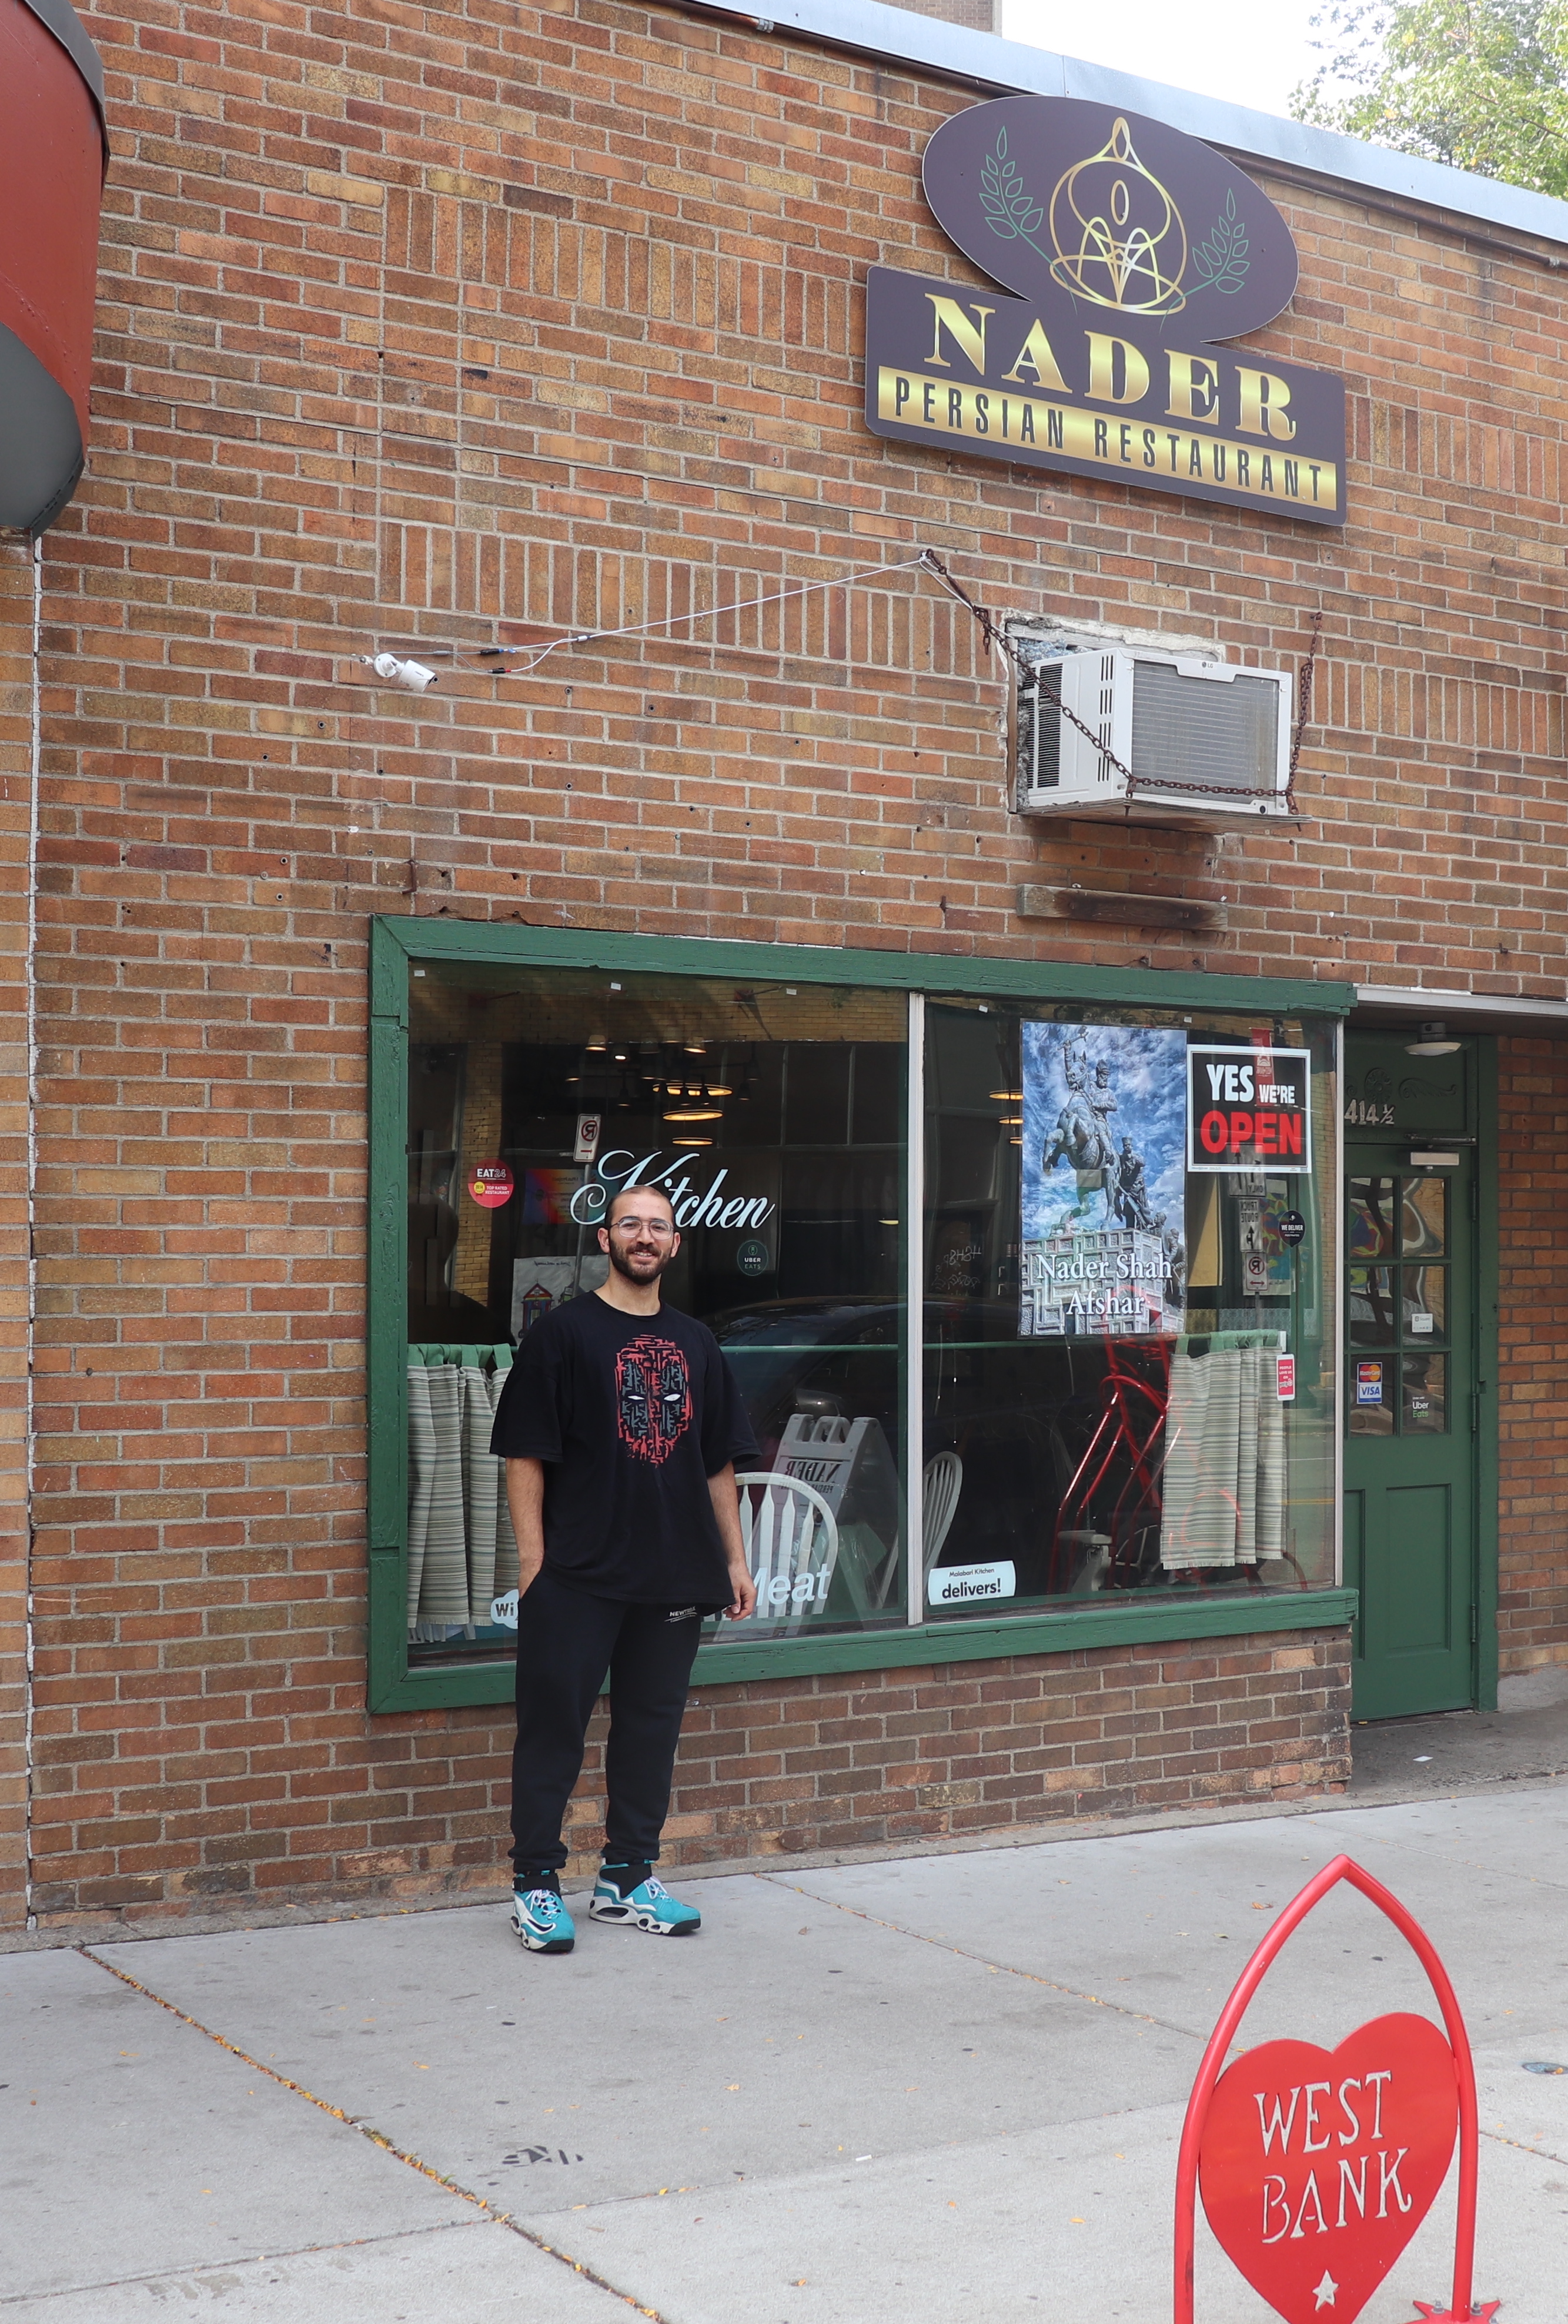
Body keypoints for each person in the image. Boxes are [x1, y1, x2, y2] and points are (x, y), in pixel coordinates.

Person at [489, 1183, 759, 1954]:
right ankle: (536, 1884)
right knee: (553, 1732)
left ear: (675, 1245)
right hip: (576, 1573)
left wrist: (734, 1558)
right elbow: (525, 1454)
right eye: (630, 1224)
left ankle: (628, 1876)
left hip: (675, 1571)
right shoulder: (563, 1335)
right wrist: (535, 1562)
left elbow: (718, 1464)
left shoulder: (697, 1343)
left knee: (650, 1730)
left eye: (658, 1227)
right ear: (605, 1240)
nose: (645, 1237)